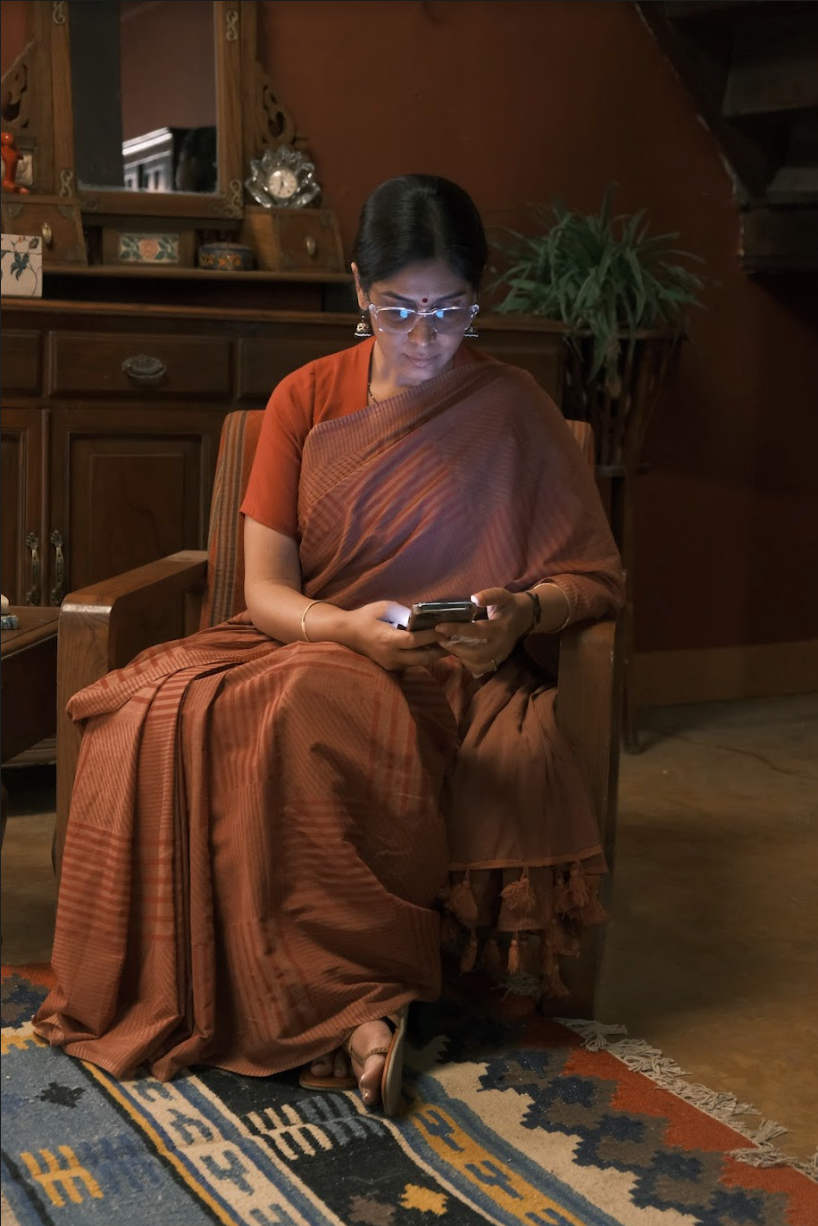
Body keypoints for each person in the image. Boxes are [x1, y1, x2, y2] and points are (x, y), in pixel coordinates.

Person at [33, 174, 624, 1115]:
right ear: (359, 289)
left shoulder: (514, 413)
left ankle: (346, 1007)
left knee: (300, 706)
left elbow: (591, 576)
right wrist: (342, 628)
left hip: (442, 675)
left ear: (482, 295)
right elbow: (266, 589)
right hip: (312, 637)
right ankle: (327, 1009)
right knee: (147, 709)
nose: (427, 336)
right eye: (400, 310)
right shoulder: (306, 399)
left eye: (450, 309)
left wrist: (522, 614)